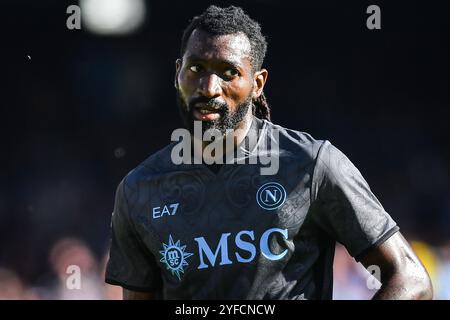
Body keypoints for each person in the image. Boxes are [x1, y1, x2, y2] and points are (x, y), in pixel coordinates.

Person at [105, 5, 432, 300]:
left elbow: (410, 278)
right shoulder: (138, 191)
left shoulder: (311, 165)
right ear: (178, 73)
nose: (209, 88)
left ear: (257, 83)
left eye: (228, 72)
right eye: (197, 69)